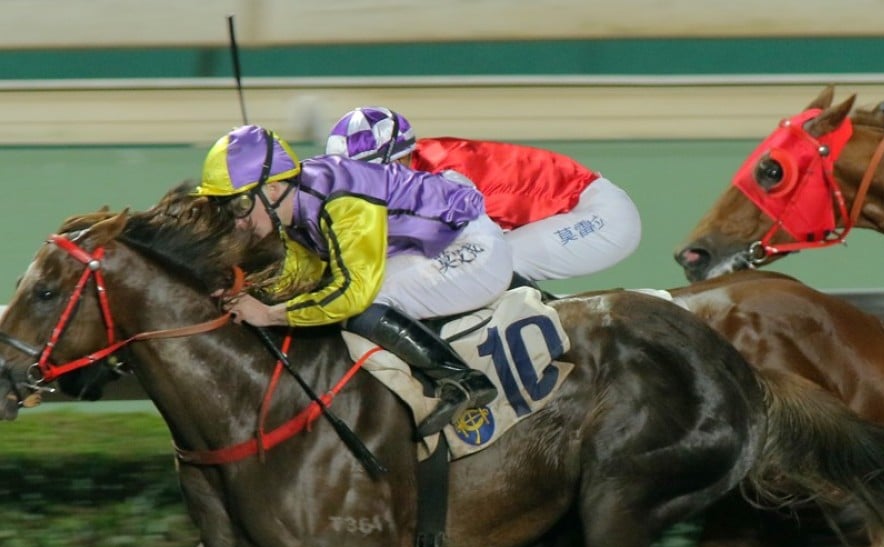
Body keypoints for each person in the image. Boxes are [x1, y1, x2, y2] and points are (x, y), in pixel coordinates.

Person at [193, 124, 514, 437]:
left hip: (473, 248)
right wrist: (243, 293)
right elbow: (301, 275)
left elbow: (353, 294)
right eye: (225, 208)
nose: (237, 222)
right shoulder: (292, 207)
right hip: (433, 244)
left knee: (360, 303)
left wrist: (269, 315)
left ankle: (463, 380)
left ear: (273, 189)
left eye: (240, 205)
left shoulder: (342, 204)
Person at [324, 106, 642, 285]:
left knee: (481, 263)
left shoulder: (442, 175)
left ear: (403, 159)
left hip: (599, 216)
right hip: (571, 204)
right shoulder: (407, 170)